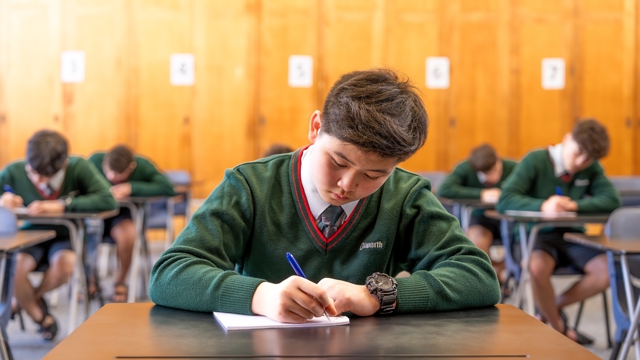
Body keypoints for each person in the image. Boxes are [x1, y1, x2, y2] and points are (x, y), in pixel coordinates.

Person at [149, 69, 500, 323]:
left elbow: (478, 277)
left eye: (373, 175)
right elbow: (170, 274)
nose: (347, 185)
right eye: (338, 161)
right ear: (316, 128)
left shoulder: (405, 196)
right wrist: (261, 295)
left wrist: (376, 295)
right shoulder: (250, 186)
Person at [497, 119, 621, 344]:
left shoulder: (590, 168)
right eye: (579, 153)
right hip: (535, 236)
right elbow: (505, 200)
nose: (581, 162)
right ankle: (559, 328)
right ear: (567, 139)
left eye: (589, 158)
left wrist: (575, 205)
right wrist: (543, 206)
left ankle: (549, 311)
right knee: (536, 267)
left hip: (571, 236)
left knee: (607, 269)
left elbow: (612, 200)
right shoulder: (535, 160)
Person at [0, 130, 118, 340]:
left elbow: (108, 200)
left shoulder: (78, 167)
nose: (36, 179)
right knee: (14, 267)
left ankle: (23, 302)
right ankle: (41, 316)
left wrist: (63, 205)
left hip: (66, 238)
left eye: (43, 176)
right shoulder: (14, 171)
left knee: (66, 264)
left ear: (63, 164)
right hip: (30, 236)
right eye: (32, 172)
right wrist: (3, 202)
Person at [88, 145, 175, 302]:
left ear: (131, 168)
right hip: (94, 216)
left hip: (121, 216)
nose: (112, 177)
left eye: (118, 176)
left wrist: (131, 187)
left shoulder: (141, 165)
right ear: (104, 163)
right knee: (80, 234)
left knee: (128, 236)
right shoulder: (95, 160)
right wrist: (106, 192)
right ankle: (90, 279)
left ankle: (120, 281)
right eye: (109, 173)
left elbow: (167, 187)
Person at [437, 144, 516, 280]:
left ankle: (500, 271)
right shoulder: (465, 168)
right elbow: (444, 190)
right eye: (486, 174)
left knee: (526, 247)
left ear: (498, 158)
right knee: (476, 242)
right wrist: (481, 194)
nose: (492, 177)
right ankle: (492, 277)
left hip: (511, 220)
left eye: (495, 170)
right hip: (481, 219)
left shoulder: (513, 167)